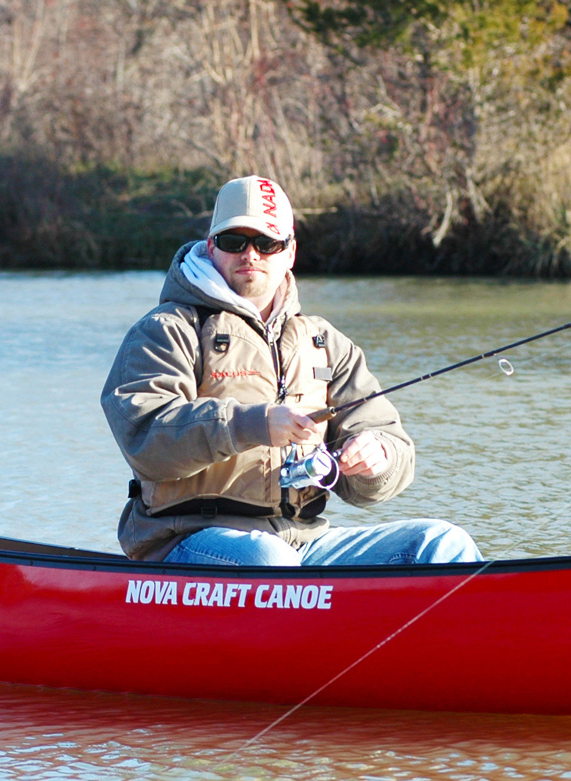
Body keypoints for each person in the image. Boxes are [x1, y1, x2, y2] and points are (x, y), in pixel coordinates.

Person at [101, 175, 481, 566]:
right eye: (235, 241)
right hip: (187, 539)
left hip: (306, 543)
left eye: (267, 243)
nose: (251, 254)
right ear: (211, 246)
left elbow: (392, 448)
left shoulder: (326, 342)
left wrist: (377, 457)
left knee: (441, 543)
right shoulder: (167, 330)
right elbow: (144, 437)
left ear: (290, 252)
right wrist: (254, 424)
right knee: (270, 560)